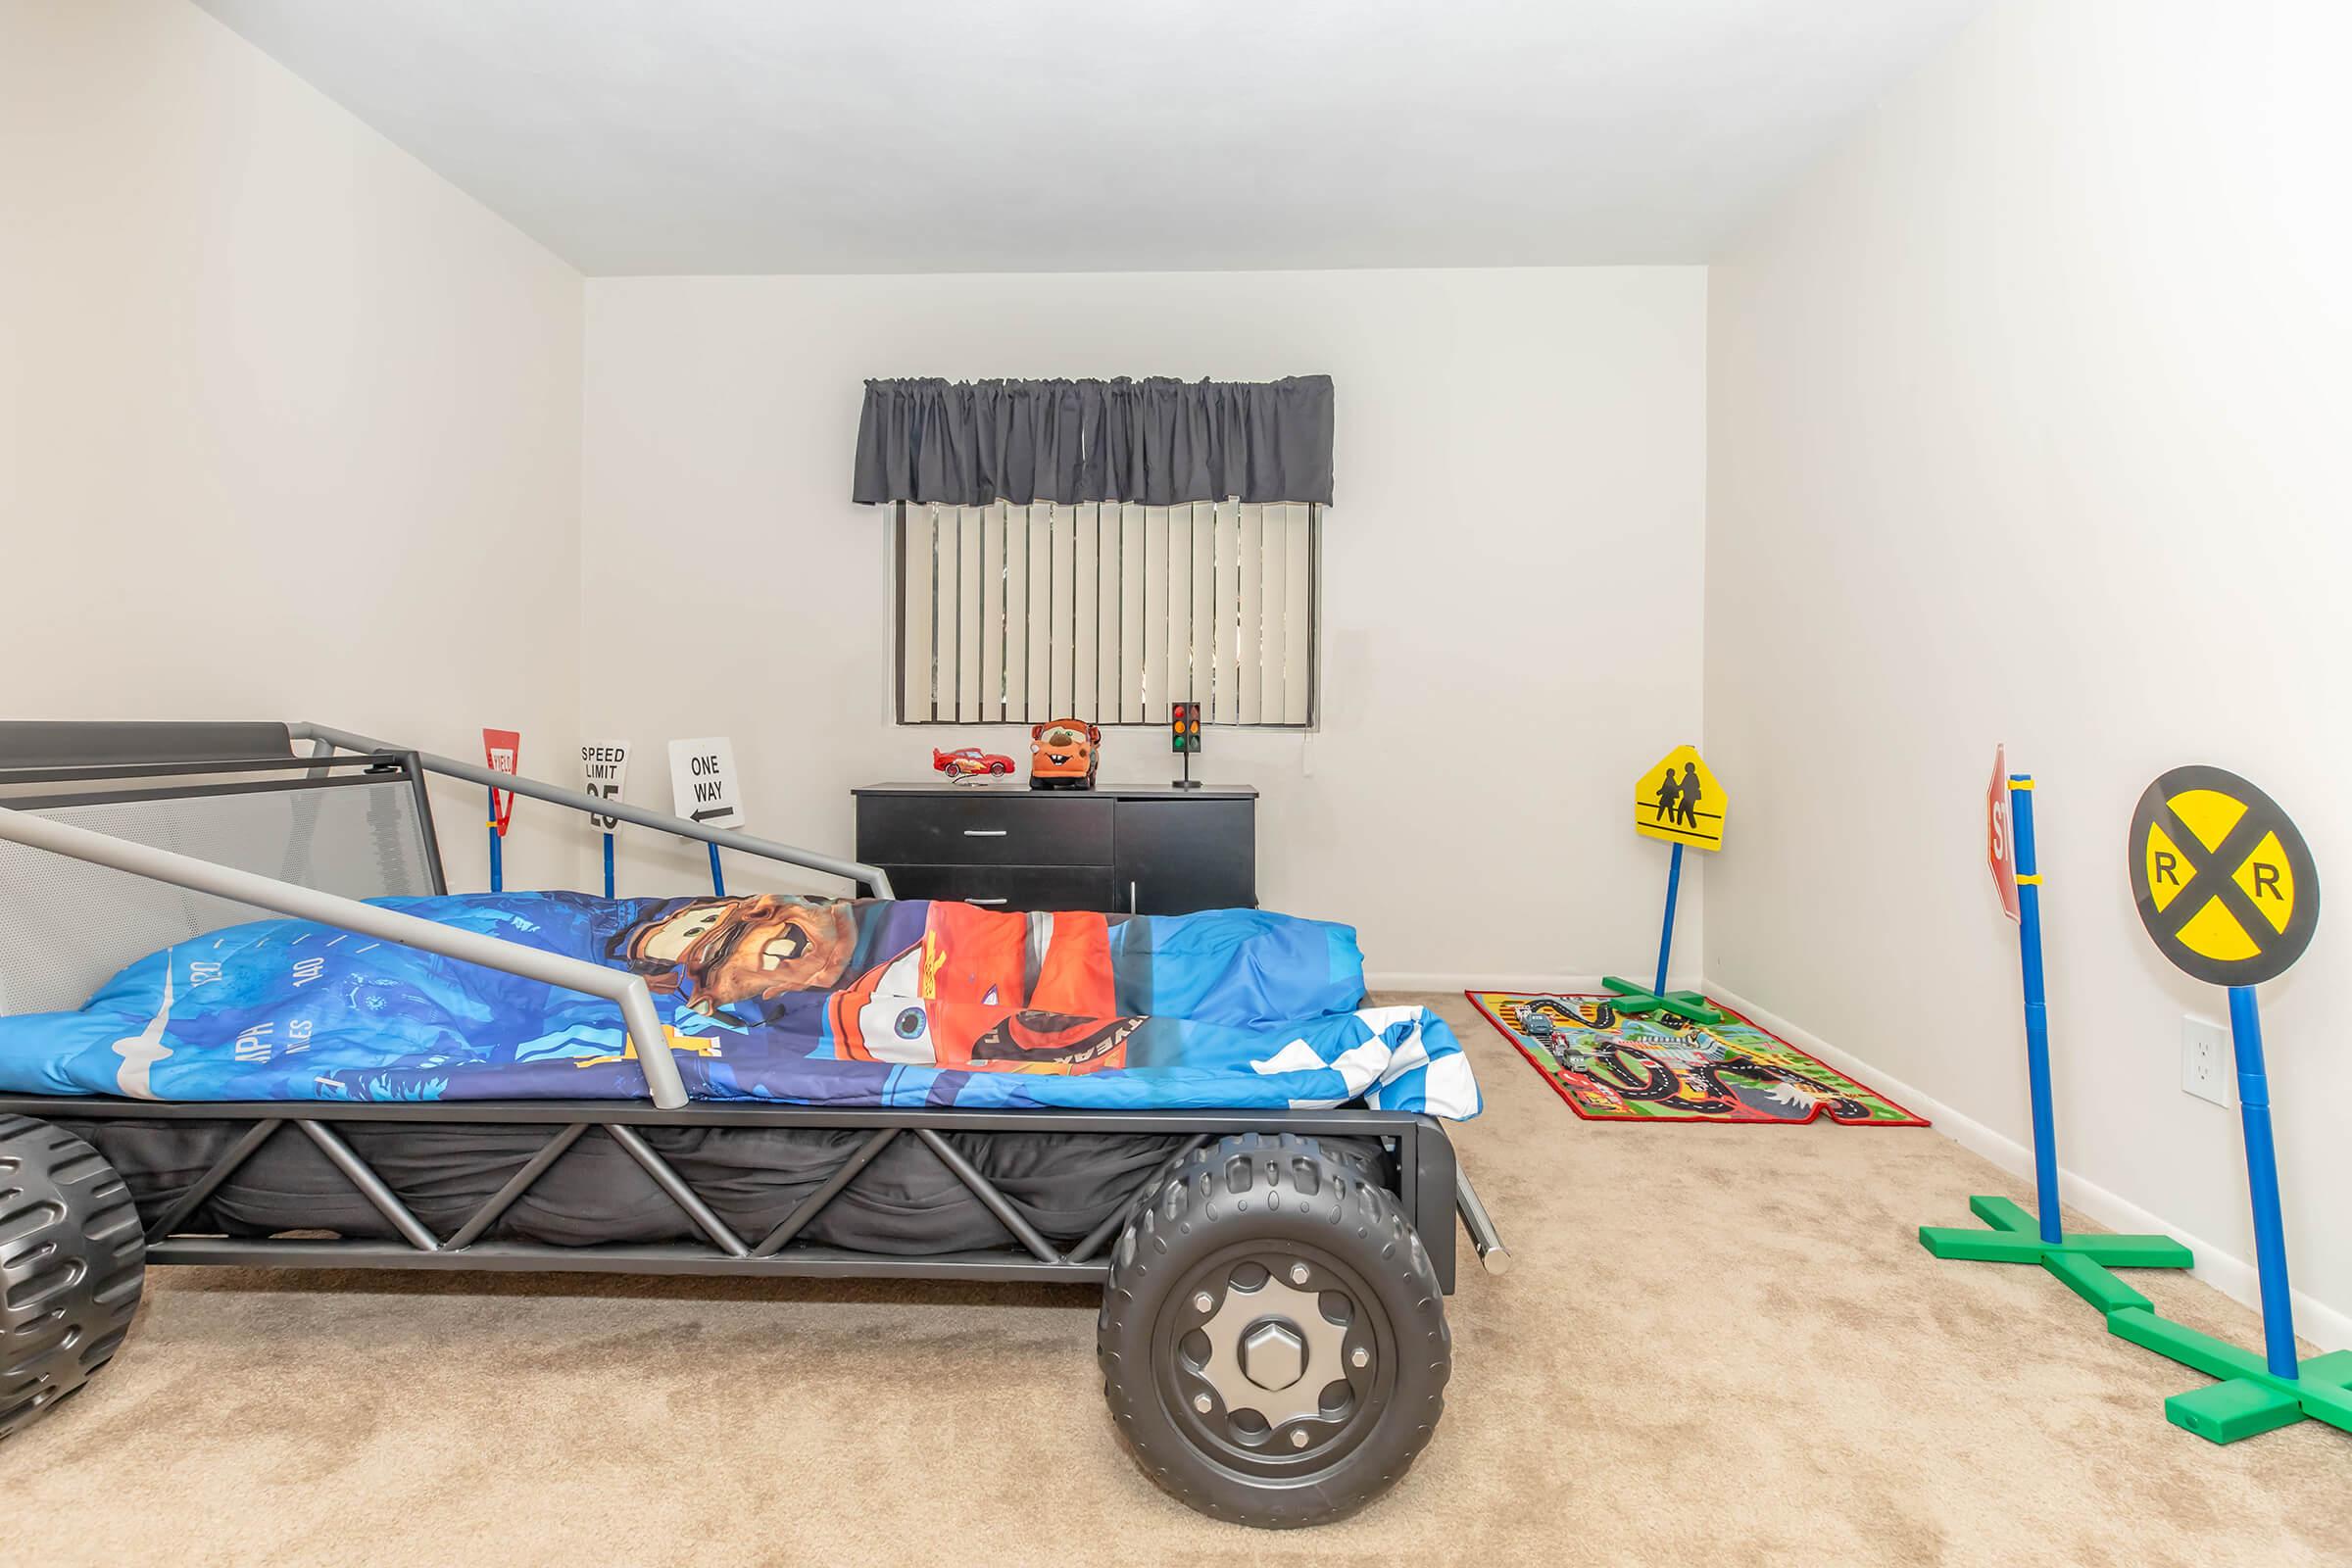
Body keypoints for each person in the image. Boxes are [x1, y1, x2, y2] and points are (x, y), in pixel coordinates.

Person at [1679, 761, 1704, 827]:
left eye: (1689, 767)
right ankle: (1683, 824)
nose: (1688, 769)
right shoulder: (1687, 776)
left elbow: (1697, 785)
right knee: (1684, 810)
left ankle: (1692, 825)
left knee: (1685, 810)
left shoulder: (1693, 776)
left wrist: (1680, 787)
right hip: (1687, 796)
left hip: (1690, 797)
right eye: (1687, 767)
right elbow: (1682, 785)